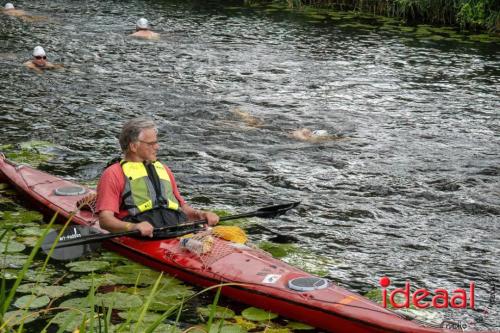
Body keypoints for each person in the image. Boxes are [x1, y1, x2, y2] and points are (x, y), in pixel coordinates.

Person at [96, 118, 219, 238]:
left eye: (156, 142)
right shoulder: (113, 174)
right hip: (143, 236)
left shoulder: (164, 169)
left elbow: (182, 208)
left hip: (177, 230)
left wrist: (200, 214)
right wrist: (132, 227)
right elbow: (105, 220)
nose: (157, 147)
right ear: (133, 146)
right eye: (151, 143)